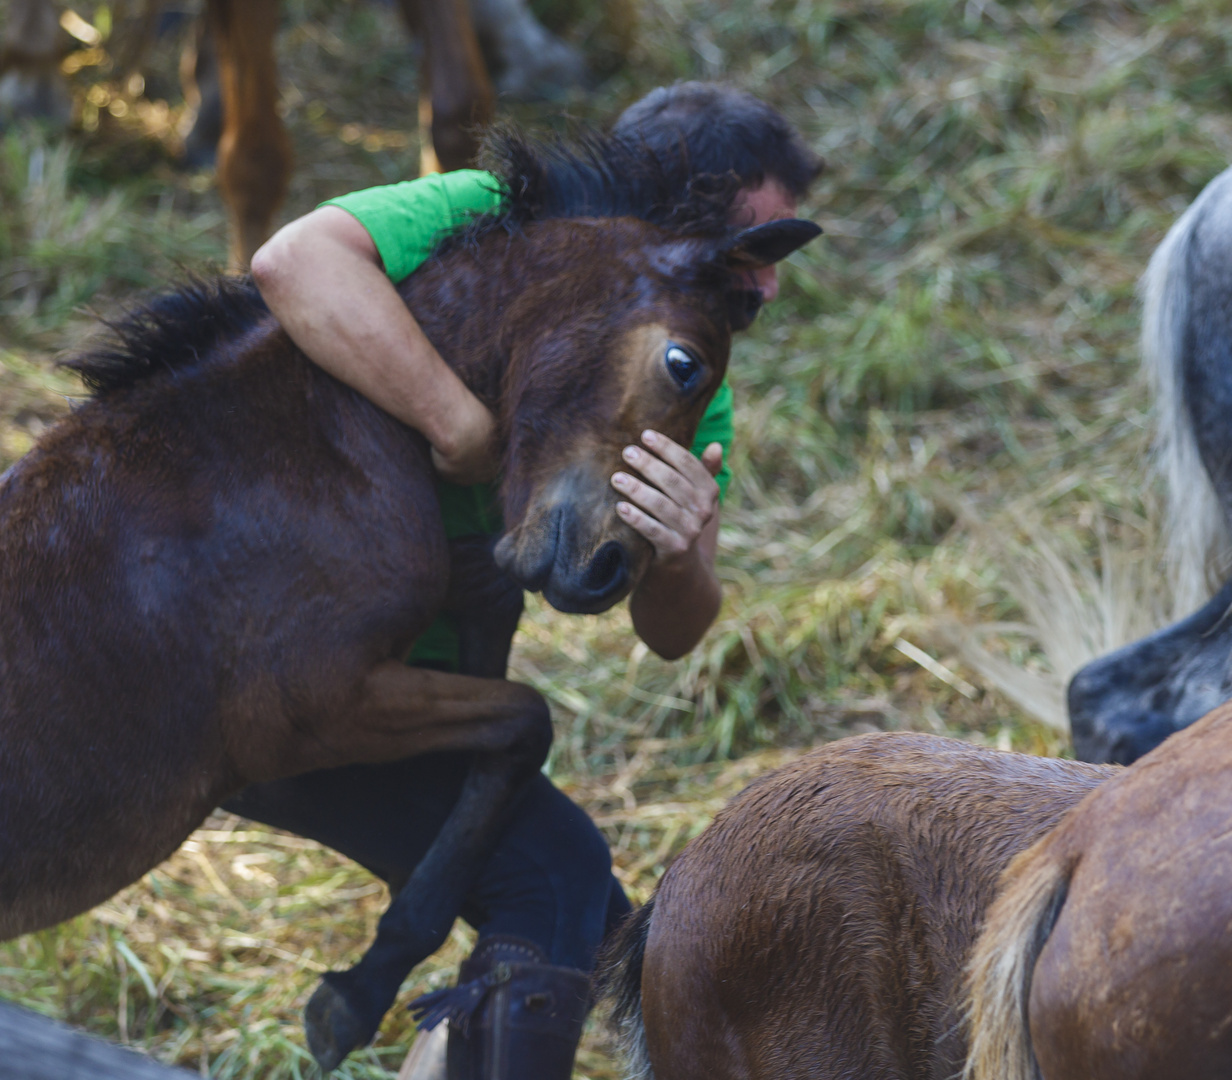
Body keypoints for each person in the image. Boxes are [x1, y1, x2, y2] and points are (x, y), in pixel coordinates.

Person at [225, 83, 824, 1080]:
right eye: (757, 247)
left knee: (562, 895)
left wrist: (676, 551)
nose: (769, 288)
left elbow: (675, 633)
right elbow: (294, 261)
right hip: (276, 645)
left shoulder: (687, 371)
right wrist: (454, 424)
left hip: (401, 701)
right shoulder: (482, 215)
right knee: (558, 886)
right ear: (665, 209)